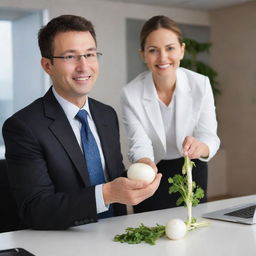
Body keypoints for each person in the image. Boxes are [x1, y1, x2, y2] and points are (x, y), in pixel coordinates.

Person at [2, 15, 161, 230]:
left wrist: (138, 177)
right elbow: (35, 209)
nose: (84, 66)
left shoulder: (106, 114)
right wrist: (106, 194)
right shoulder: (23, 126)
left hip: (116, 236)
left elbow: (111, 178)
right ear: (47, 65)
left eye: (90, 54)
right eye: (70, 57)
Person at [121, 15, 220, 213]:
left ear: (182, 50)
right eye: (153, 50)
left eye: (170, 48)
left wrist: (200, 147)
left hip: (191, 167)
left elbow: (209, 136)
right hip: (153, 169)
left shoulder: (200, 84)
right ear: (143, 55)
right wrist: (144, 165)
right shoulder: (130, 93)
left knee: (193, 226)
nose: (163, 57)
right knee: (150, 229)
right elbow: (139, 142)